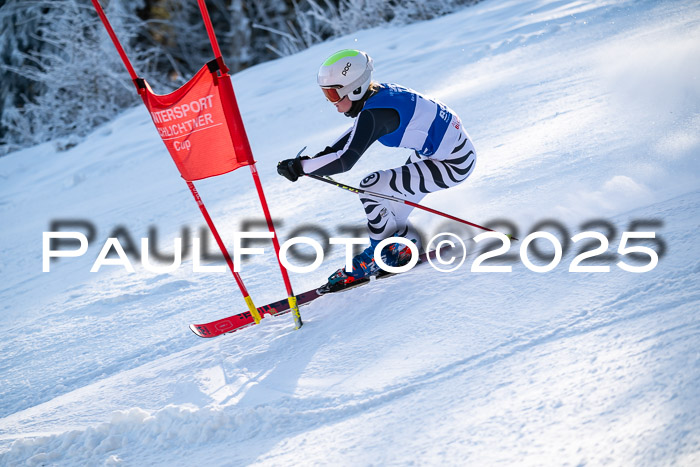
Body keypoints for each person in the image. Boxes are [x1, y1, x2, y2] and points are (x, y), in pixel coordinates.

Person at [277, 49, 476, 290]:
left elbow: (345, 160)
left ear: (355, 88)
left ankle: (382, 255)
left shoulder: (376, 113)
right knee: (388, 201)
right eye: (327, 95)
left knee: (371, 187)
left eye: (334, 95)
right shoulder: (378, 96)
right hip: (441, 155)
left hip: (452, 163)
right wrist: (313, 162)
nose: (333, 104)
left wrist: (302, 167)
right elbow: (352, 137)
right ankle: (400, 244)